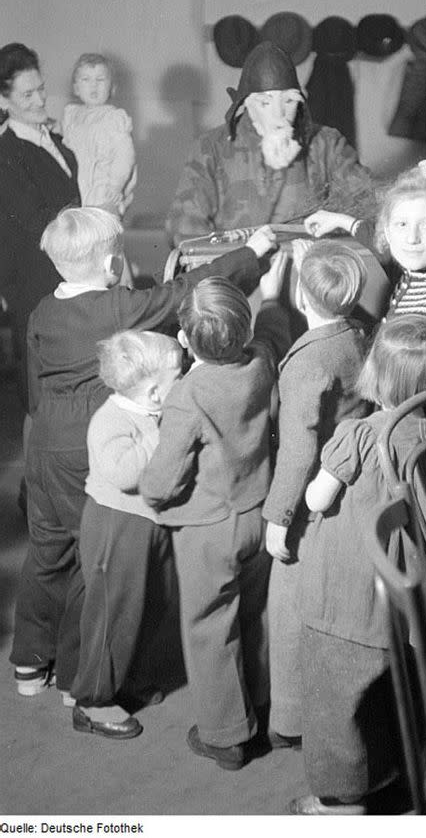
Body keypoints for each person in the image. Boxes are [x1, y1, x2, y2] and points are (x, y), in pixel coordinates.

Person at [10, 205, 274, 710]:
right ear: (111, 263)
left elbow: (32, 382)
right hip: (88, 443)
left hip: (43, 440)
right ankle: (80, 677)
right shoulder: (115, 307)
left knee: (46, 554)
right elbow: (179, 294)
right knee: (97, 561)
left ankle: (28, 661)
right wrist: (251, 256)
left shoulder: (44, 309)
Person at [290, 316, 426, 816]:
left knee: (336, 700)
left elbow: (318, 499)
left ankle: (342, 799)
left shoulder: (357, 435)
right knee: (388, 691)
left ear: (374, 374)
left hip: (348, 591)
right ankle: (391, 777)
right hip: (407, 591)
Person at [140, 263, 291, 771]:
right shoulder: (261, 361)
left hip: (209, 528)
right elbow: (272, 330)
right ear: (244, 330)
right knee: (255, 614)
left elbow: (164, 476)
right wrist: (270, 293)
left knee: (210, 626)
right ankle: (263, 706)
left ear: (183, 339)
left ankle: (226, 734)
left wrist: (153, 497)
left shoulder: (188, 394)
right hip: (259, 513)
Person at [261, 240, 372, 748]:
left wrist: (278, 514)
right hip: (345, 485)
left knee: (285, 608)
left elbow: (298, 449)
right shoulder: (357, 333)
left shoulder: (309, 361)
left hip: (307, 494)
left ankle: (290, 720)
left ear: (300, 299)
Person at [70, 330, 183, 739]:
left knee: (149, 605)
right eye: (178, 378)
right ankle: (93, 699)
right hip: (116, 525)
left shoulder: (152, 411)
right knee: (112, 614)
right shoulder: (111, 419)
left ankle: (124, 676)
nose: (183, 383)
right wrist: (166, 436)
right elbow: (122, 471)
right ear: (154, 393)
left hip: (148, 526)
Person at [166, 40, 377, 244]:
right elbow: (184, 226)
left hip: (309, 269)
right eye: (265, 103)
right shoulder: (212, 148)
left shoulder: (327, 145)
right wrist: (233, 264)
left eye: (288, 101)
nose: (279, 114)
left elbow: (366, 205)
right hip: (236, 272)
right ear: (247, 104)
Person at [306, 159, 426, 383]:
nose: (411, 239)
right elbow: (377, 242)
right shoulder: (408, 272)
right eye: (401, 225)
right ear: (388, 233)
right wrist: (339, 221)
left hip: (419, 412)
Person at [0, 42, 80, 408]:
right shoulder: (7, 155)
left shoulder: (57, 143)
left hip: (68, 279)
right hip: (36, 289)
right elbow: (38, 226)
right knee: (42, 398)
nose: (38, 100)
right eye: (27, 94)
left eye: (40, 89)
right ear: (4, 101)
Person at [61, 53, 137, 217]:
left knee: (100, 231)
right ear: (75, 88)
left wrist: (116, 184)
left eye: (100, 80)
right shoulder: (72, 115)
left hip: (102, 190)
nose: (93, 86)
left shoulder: (114, 118)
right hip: (75, 190)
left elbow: (124, 155)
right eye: (86, 80)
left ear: (112, 88)